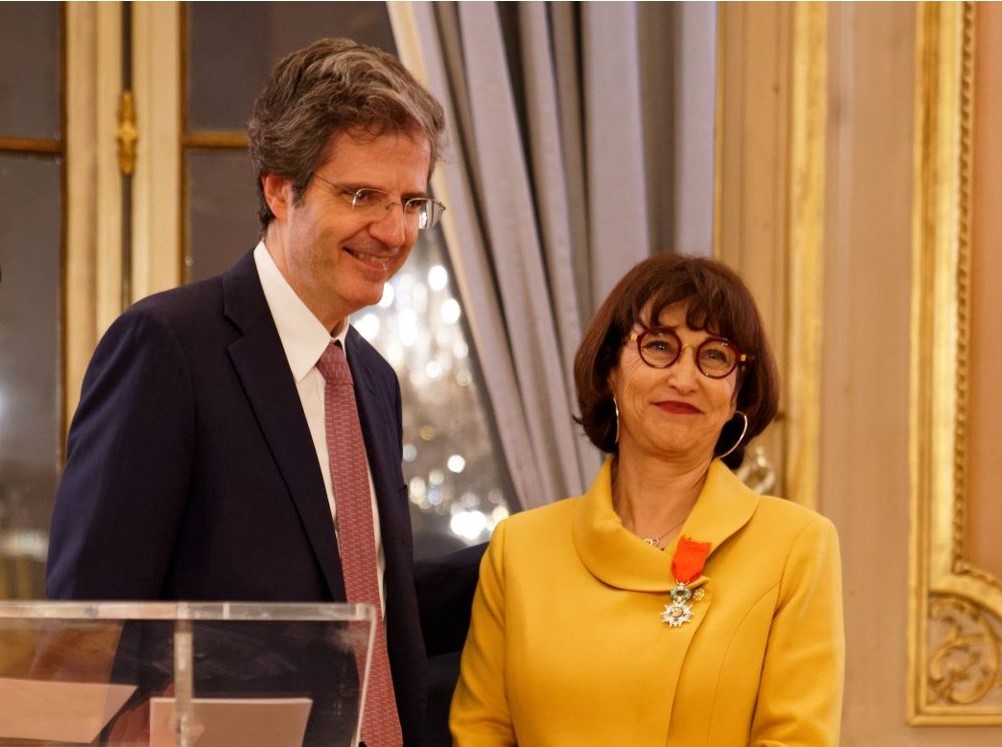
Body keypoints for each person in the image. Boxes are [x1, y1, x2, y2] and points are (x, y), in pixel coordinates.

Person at [46, 38, 481, 747]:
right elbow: (90, 626)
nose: (395, 231)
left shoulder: (374, 381)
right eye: (362, 195)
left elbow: (361, 596)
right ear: (281, 189)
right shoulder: (167, 347)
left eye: (411, 202)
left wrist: (533, 552)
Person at [450, 253, 845, 745]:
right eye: (660, 346)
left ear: (738, 394)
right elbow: (480, 734)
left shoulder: (797, 546)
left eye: (715, 356)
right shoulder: (519, 548)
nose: (685, 378)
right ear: (610, 369)